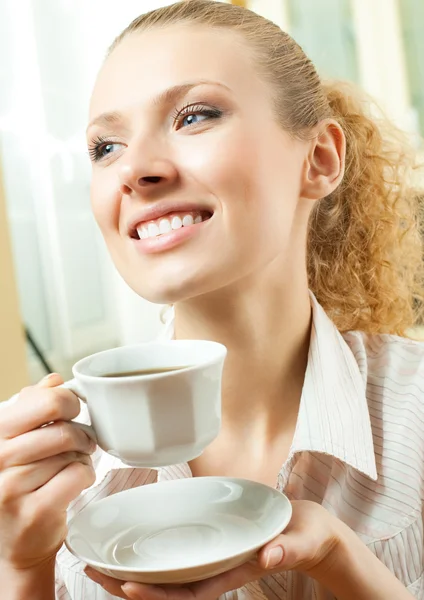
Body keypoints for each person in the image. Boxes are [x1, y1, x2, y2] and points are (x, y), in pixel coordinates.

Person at [1, 0, 424, 598]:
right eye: (105, 147)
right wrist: (20, 569)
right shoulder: (52, 483)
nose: (135, 170)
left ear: (320, 159)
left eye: (194, 116)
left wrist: (341, 562)